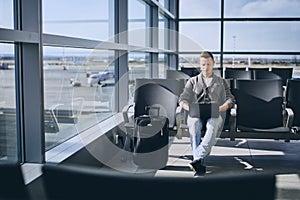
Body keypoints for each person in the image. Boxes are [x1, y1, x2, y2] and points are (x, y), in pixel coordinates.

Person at [178, 51, 235, 176]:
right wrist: (188, 107)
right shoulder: (192, 81)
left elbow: (230, 99)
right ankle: (199, 163)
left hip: (215, 113)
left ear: (213, 64)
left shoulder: (221, 81)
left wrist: (221, 108)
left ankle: (197, 158)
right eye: (203, 65)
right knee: (194, 126)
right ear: (200, 65)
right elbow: (182, 99)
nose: (206, 67)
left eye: (208, 64)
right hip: (195, 114)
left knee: (212, 124)